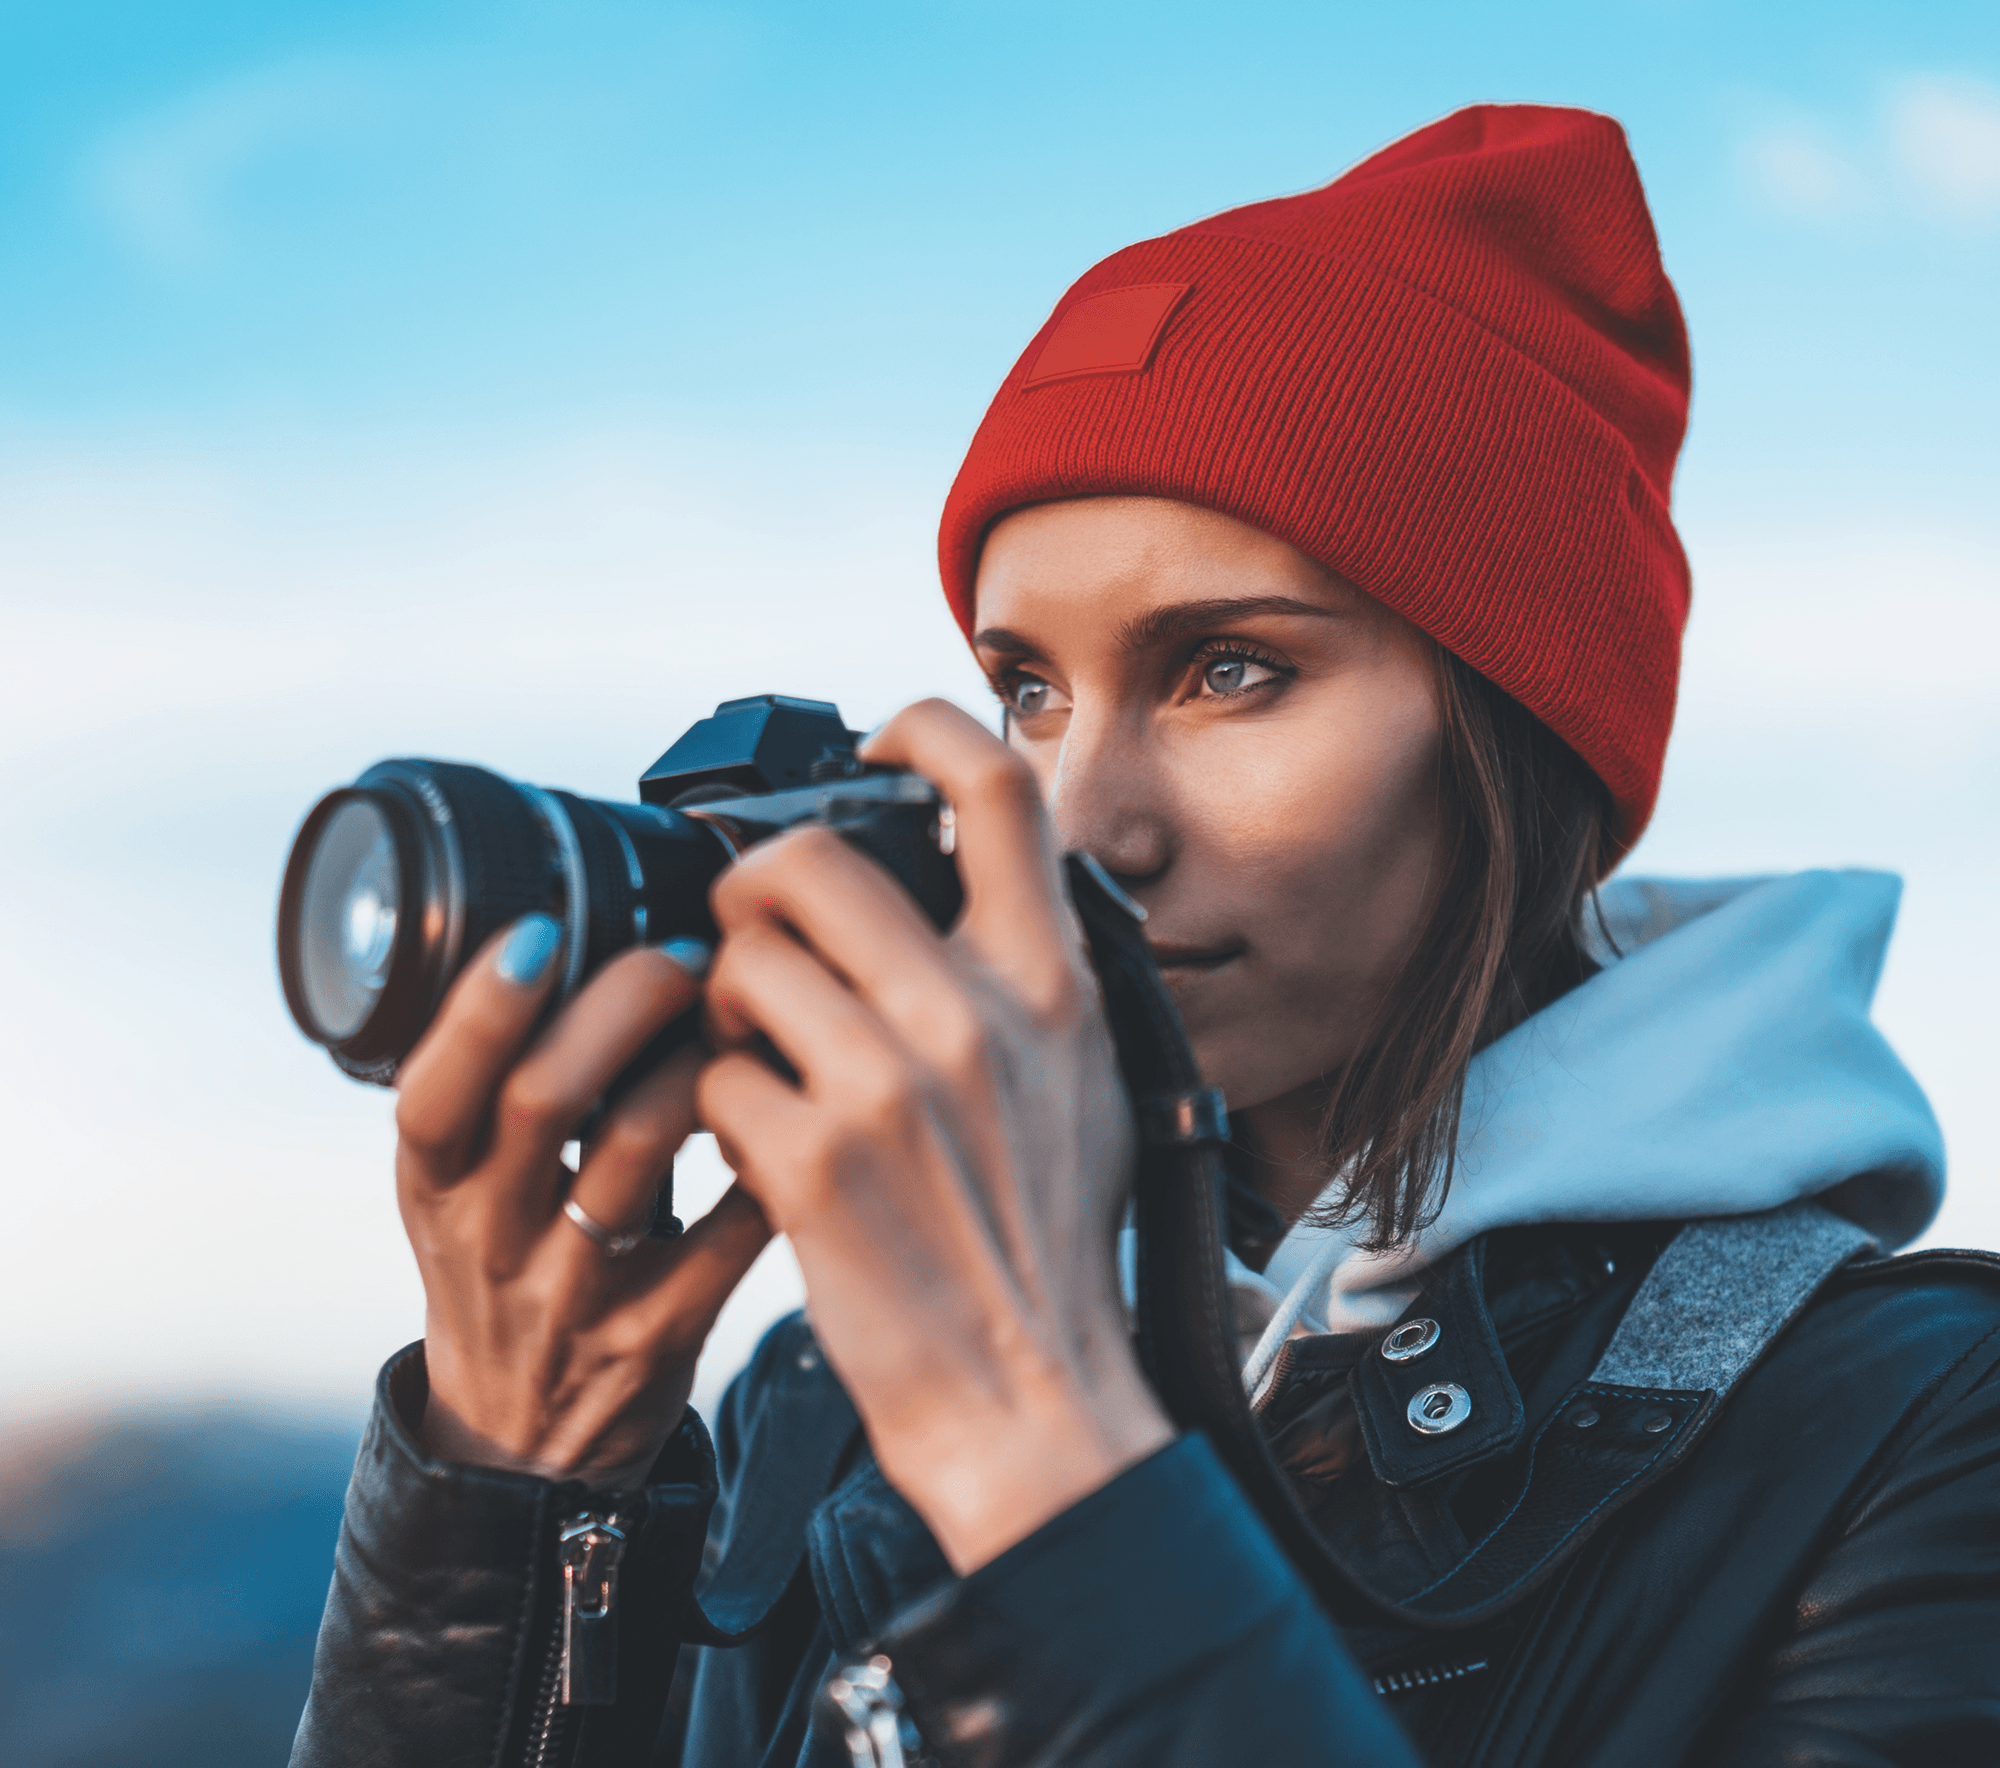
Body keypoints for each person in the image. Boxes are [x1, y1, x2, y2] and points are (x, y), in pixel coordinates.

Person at [289, 105, 2000, 1768]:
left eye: (1228, 669)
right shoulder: (824, 1396)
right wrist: (508, 1509)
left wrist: (1030, 1455)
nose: (1083, 825)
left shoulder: (1914, 1434)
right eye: (1024, 691)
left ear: (1521, 740)